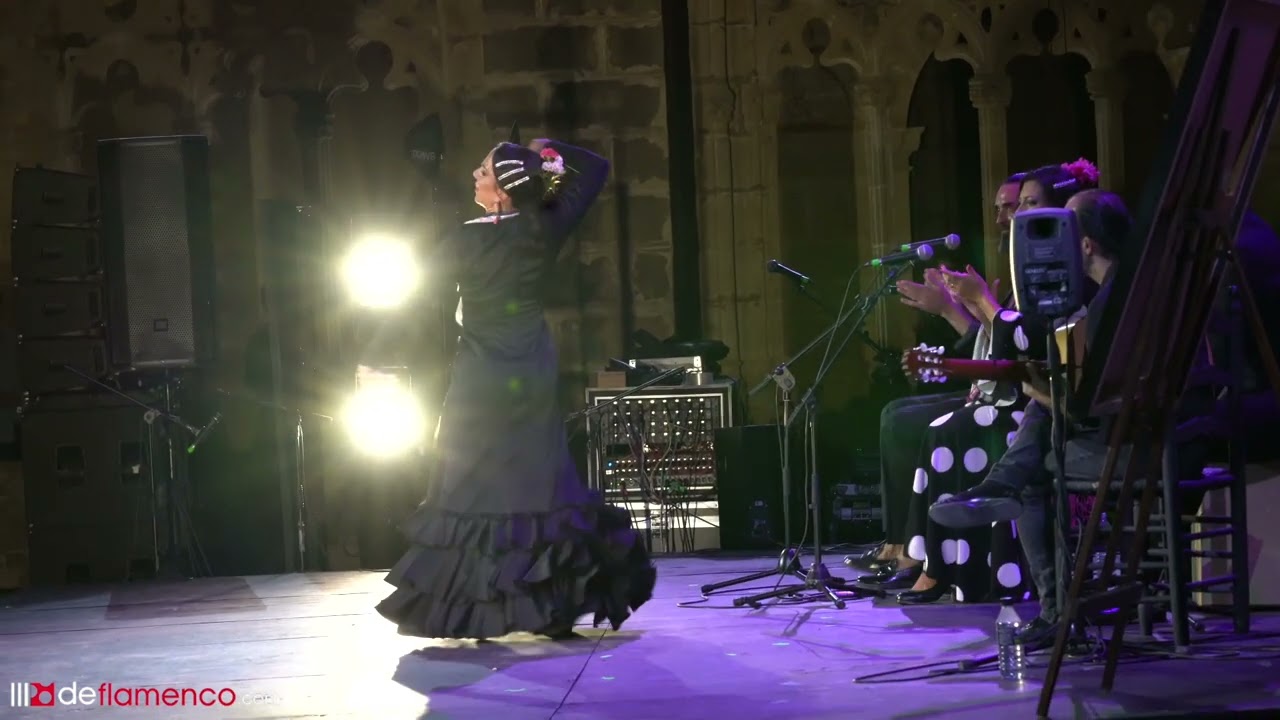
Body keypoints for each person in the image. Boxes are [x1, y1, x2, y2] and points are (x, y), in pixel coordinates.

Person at [375, 138, 656, 639]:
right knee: (538, 479)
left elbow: (412, 300)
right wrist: (547, 151)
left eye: (483, 170)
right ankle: (549, 603)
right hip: (530, 371)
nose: (473, 175)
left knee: (470, 483)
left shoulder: (462, 239)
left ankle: (477, 606)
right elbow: (593, 168)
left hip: (481, 376)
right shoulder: (543, 227)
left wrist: (377, 357)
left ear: (502, 191)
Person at [873, 160, 1101, 605]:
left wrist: (972, 303)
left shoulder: (1067, 275)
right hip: (1029, 393)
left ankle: (943, 563)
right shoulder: (1029, 264)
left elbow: (1024, 340)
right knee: (904, 417)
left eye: (1026, 205)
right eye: (1013, 207)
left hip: (1046, 400)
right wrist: (964, 307)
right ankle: (921, 556)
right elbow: (1005, 343)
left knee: (939, 429)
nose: (1008, 217)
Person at [844, 174, 1024, 580]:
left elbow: (1014, 344)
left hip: (1015, 397)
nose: (1001, 218)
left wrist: (962, 307)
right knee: (894, 412)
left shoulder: (1036, 270)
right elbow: (992, 338)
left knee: (907, 421)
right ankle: (898, 542)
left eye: (1014, 206)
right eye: (999, 208)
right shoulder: (1013, 266)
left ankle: (914, 550)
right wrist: (952, 307)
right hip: (993, 385)